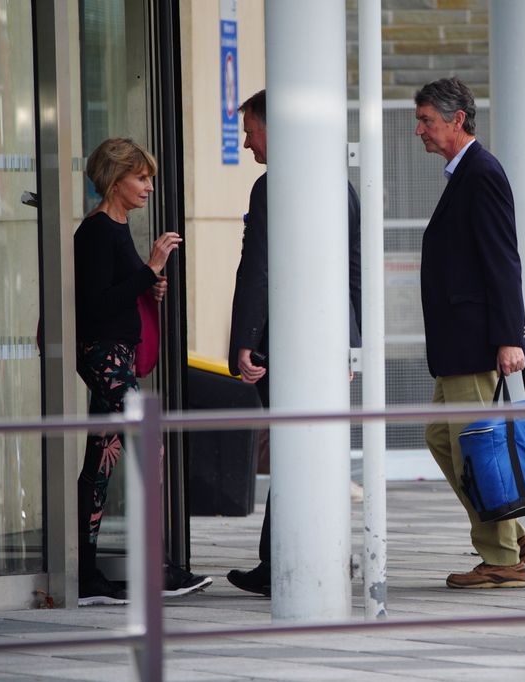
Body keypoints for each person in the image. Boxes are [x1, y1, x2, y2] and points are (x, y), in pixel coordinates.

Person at [226, 89, 363, 596]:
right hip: (332, 342)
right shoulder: (340, 186)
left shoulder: (271, 188)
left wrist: (244, 341)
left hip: (285, 344)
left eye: (252, 130)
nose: (246, 142)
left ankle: (282, 561)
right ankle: (301, 556)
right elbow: (354, 271)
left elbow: (257, 269)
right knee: (309, 447)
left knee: (289, 447)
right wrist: (354, 342)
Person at [75, 137, 210, 605]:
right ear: (116, 180)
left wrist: (147, 283)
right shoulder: (95, 232)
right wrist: (149, 268)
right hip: (105, 357)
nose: (148, 186)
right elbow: (92, 306)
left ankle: (88, 577)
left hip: (119, 355)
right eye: (141, 177)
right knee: (147, 445)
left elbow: (119, 291)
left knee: (102, 458)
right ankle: (154, 569)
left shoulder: (116, 226)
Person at [414, 76, 525, 589]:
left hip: (474, 340)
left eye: (425, 120)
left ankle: (502, 559)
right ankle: (511, 532)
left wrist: (512, 337)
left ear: (457, 119)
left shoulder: (482, 173)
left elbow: (502, 260)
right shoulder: (461, 174)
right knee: (442, 438)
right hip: (455, 342)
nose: (417, 130)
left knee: (474, 446)